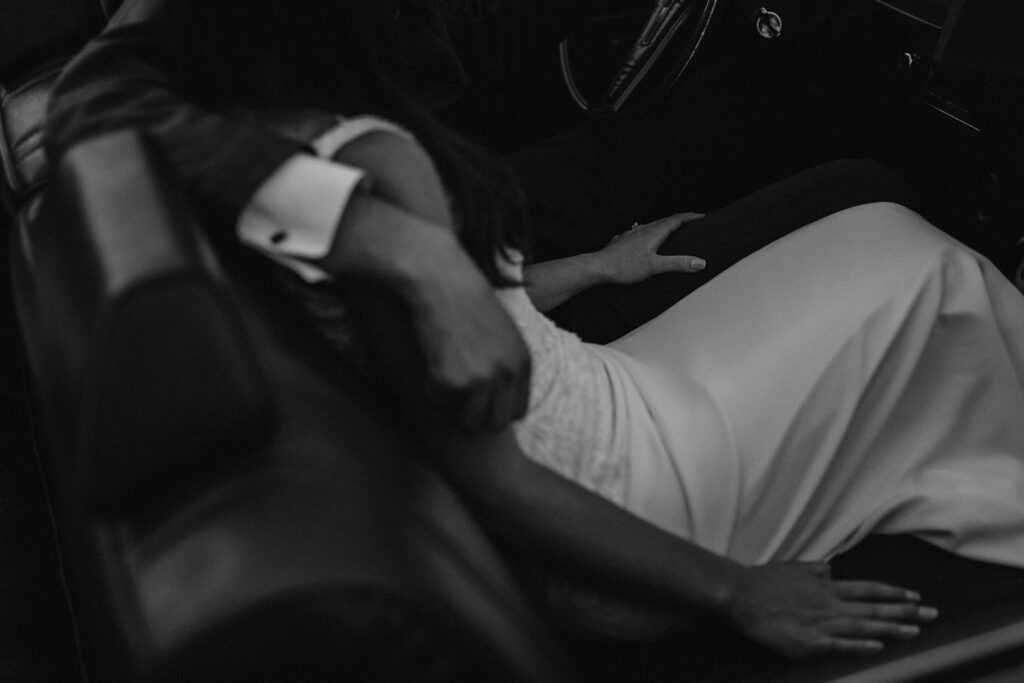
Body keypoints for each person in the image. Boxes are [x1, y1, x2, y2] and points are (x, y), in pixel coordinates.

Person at [47, 0, 1021, 661]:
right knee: (934, 275)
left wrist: (595, 266)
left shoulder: (275, 129)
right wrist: (735, 590)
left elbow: (471, 320)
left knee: (880, 235)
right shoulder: (379, 167)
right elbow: (495, 478)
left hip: (587, 395)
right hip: (636, 484)